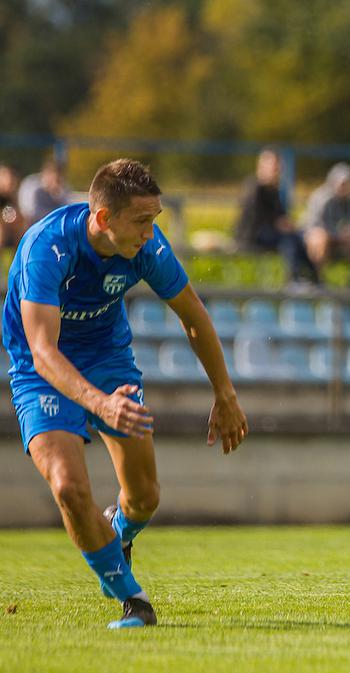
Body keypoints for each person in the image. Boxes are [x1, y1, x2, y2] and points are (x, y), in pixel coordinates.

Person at [2, 159, 249, 628]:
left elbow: (192, 314)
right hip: (42, 369)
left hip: (109, 360)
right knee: (69, 488)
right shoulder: (46, 249)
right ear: (102, 219)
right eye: (141, 221)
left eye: (154, 220)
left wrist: (225, 393)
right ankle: (133, 600)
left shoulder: (146, 248)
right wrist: (98, 402)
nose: (149, 232)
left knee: (144, 497)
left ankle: (120, 530)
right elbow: (41, 351)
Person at [235, 148, 319, 286]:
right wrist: (283, 225)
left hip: (269, 234)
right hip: (252, 236)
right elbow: (260, 219)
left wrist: (290, 226)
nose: (277, 170)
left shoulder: (273, 190)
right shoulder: (255, 187)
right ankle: (294, 279)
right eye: (274, 166)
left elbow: (281, 217)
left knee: (299, 238)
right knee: (289, 241)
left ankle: (314, 278)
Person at [302, 162, 350, 286]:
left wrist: (347, 233)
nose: (344, 187)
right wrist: (340, 234)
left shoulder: (349, 200)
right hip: (313, 236)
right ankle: (316, 278)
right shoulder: (322, 199)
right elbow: (317, 226)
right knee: (321, 238)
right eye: (342, 183)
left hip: (335, 237)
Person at [18, 157, 71, 226]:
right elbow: (30, 212)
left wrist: (56, 193)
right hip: (30, 224)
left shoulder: (62, 187)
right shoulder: (31, 184)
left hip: (51, 224)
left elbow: (67, 208)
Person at [0, 163, 26, 248]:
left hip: (10, 230)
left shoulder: (11, 197)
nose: (11, 181)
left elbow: (17, 216)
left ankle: (19, 258)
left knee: (21, 229)